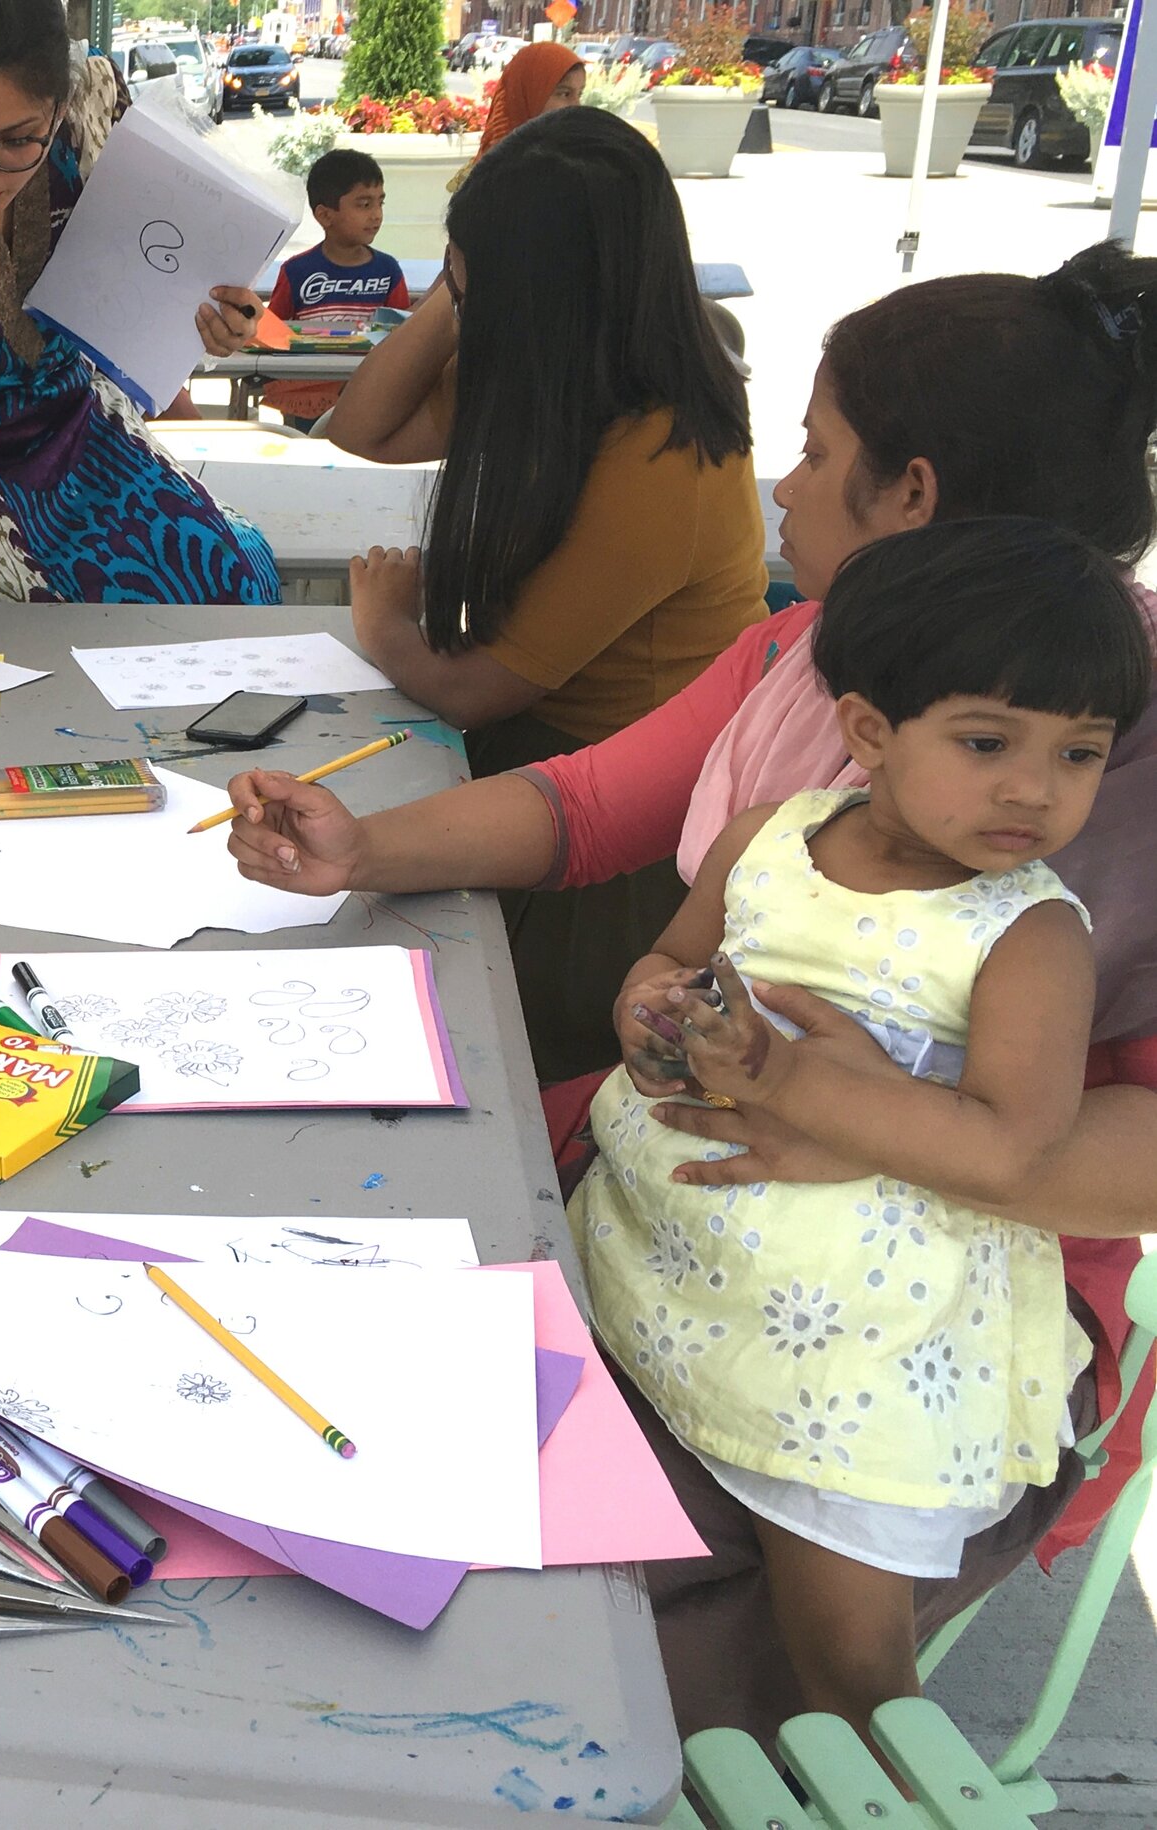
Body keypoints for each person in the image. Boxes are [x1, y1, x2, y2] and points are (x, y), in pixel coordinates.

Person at [224, 242, 1157, 1747]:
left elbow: (1064, 1137)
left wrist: (868, 1115)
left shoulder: (1076, 785)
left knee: (532, 1621)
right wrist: (363, 848)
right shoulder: (816, 650)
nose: (782, 491)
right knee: (365, 1285)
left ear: (912, 494)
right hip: (683, 1194)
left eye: (815, 453)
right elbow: (594, 803)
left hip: (893, 1314)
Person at [571, 517, 1147, 1743]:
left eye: (1080, 754)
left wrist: (783, 1081)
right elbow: (678, 953)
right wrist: (649, 1004)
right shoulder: (769, 839)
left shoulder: (1029, 933)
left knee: (841, 1638)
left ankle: (882, 1774)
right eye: (987, 743)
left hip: (863, 1325)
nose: (1034, 791)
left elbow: (1012, 1151)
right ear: (870, 731)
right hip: (687, 1252)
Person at [326, 106, 763, 1078]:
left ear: (544, 291)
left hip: (627, 844)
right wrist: (457, 281)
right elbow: (362, 427)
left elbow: (478, 689)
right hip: (544, 773)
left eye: (472, 267)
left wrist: (383, 625)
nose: (461, 284)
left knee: (453, 1039)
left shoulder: (661, 451)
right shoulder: (560, 375)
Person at [0, 0, 282, 684]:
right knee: (67, 649)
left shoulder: (92, 121)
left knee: (235, 577)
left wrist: (215, 313)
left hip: (84, 433)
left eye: (14, 141)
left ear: (58, 110)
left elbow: (176, 260)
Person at [262, 147, 412, 432]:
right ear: (325, 215)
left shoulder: (388, 271)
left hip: (372, 394)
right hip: (306, 397)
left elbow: (402, 336)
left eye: (380, 203)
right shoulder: (297, 271)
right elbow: (274, 332)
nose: (377, 215)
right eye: (364, 205)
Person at [448, 38, 584, 190]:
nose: (576, 105)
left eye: (580, 94)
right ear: (529, 95)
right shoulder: (495, 178)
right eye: (564, 94)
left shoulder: (574, 162)